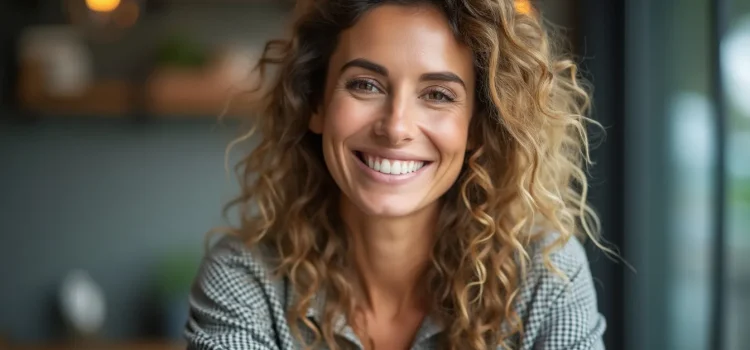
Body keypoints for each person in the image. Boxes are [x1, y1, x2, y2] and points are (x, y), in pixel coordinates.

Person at [185, 0, 607, 349]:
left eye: (438, 95)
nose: (396, 127)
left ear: (478, 126)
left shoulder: (542, 274)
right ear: (315, 103)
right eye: (366, 85)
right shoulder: (247, 278)